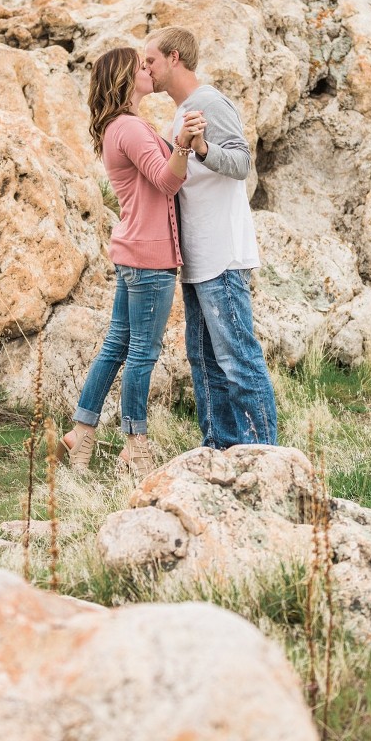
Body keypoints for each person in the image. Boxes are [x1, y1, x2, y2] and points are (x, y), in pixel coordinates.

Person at [57, 46, 206, 478]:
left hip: (134, 251)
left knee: (117, 346)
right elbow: (166, 181)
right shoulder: (131, 128)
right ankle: (135, 446)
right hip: (149, 256)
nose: (147, 70)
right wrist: (181, 146)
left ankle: (82, 430)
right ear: (124, 78)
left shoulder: (117, 127)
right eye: (140, 66)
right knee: (142, 351)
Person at [143, 26, 278, 450]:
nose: (146, 69)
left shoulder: (210, 103)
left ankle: (265, 457)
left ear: (174, 58)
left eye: (151, 60)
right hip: (196, 260)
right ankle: (219, 449)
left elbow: (241, 163)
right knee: (203, 362)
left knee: (238, 360)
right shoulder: (179, 113)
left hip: (222, 255)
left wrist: (202, 149)